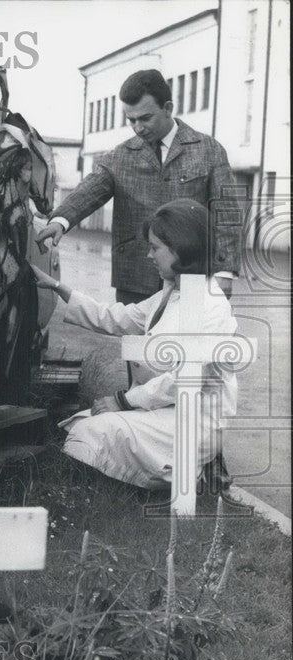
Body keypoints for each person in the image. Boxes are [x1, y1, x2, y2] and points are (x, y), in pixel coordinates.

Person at [33, 199, 237, 489]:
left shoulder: (209, 305)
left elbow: (187, 380)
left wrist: (123, 401)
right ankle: (117, 486)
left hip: (194, 420)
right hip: (168, 409)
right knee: (78, 427)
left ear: (182, 248)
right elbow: (118, 318)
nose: (148, 255)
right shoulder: (174, 292)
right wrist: (57, 287)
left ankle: (188, 474)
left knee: (90, 434)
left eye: (155, 248)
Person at [37, 69, 240, 303]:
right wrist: (60, 220)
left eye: (145, 118)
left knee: (186, 340)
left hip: (192, 277)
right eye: (131, 120)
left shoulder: (209, 150)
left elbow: (227, 214)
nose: (137, 127)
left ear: (168, 108)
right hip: (135, 278)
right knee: (133, 338)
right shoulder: (120, 155)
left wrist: (225, 271)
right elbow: (89, 189)